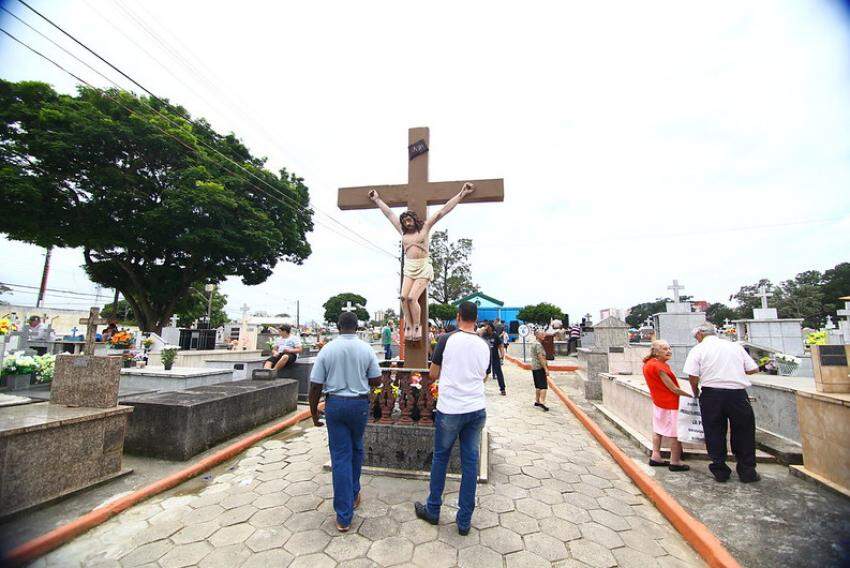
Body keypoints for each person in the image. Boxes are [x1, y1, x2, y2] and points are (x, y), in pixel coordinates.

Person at [414, 301, 490, 535]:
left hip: (450, 409)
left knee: (441, 458)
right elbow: (484, 377)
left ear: (458, 317)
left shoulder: (446, 340)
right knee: (470, 464)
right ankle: (464, 520)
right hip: (476, 409)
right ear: (475, 318)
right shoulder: (484, 344)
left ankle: (434, 509)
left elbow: (433, 374)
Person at [370, 182, 475, 341]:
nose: (406, 222)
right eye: (404, 221)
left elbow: (442, 211)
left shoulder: (424, 228)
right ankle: (409, 326)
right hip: (409, 268)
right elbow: (389, 214)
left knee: (413, 298)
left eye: (409, 219)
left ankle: (417, 326)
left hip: (423, 267)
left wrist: (462, 194)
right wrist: (377, 200)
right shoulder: (403, 232)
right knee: (404, 298)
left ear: (414, 219)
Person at [308, 311, 382, 531]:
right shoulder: (366, 348)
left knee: (340, 456)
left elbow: (315, 385)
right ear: (357, 327)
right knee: (357, 448)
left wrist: (314, 413)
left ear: (338, 326)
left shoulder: (327, 349)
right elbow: (377, 379)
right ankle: (353, 492)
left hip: (336, 406)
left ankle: (343, 516)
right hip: (359, 404)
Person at [684, 323, 760, 483]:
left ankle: (720, 469)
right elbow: (753, 368)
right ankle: (747, 471)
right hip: (737, 394)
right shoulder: (734, 347)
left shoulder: (698, 349)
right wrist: (733, 370)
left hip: (712, 394)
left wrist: (695, 391)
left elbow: (693, 375)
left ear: (699, 334)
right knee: (744, 431)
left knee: (714, 431)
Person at [642, 340, 691, 471]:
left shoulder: (648, 364)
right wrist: (691, 396)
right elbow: (673, 389)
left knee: (658, 431)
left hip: (658, 402)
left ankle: (655, 456)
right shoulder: (660, 367)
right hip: (671, 404)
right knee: (675, 434)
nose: (669, 351)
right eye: (664, 349)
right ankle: (674, 461)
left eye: (669, 348)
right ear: (656, 352)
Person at [529, 328, 551, 411]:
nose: (544, 335)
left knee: (538, 385)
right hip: (539, 366)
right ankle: (542, 402)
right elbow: (540, 357)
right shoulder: (538, 345)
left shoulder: (534, 344)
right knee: (543, 386)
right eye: (542, 334)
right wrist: (545, 368)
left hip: (534, 367)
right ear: (537, 335)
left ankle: (537, 401)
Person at [482, 322, 507, 395]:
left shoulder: (495, 335)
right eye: (486, 326)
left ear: (491, 327)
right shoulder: (484, 335)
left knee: (499, 372)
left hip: (495, 356)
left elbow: (500, 345)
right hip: (486, 357)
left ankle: (502, 389)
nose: (486, 327)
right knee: (485, 373)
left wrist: (502, 354)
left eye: (488, 326)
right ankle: (479, 387)